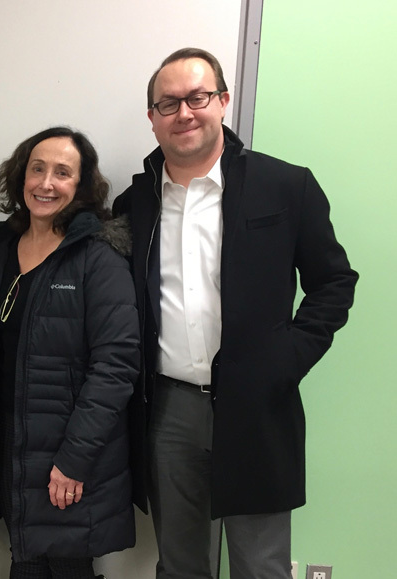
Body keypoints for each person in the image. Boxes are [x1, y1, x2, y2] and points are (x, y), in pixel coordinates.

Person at [112, 47, 358, 579]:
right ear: (152, 117)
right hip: (168, 410)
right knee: (179, 564)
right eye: (169, 102)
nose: (185, 113)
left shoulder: (286, 186)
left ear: (223, 101)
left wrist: (286, 359)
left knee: (261, 565)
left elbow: (334, 282)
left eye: (198, 97)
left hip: (257, 405)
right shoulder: (135, 204)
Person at [0, 127, 139, 579]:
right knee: (25, 561)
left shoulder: (97, 255)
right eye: (37, 169)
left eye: (62, 173)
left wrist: (74, 459)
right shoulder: (4, 249)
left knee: (65, 564)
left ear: (80, 187)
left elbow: (115, 365)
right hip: (12, 443)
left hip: (68, 451)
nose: (45, 183)